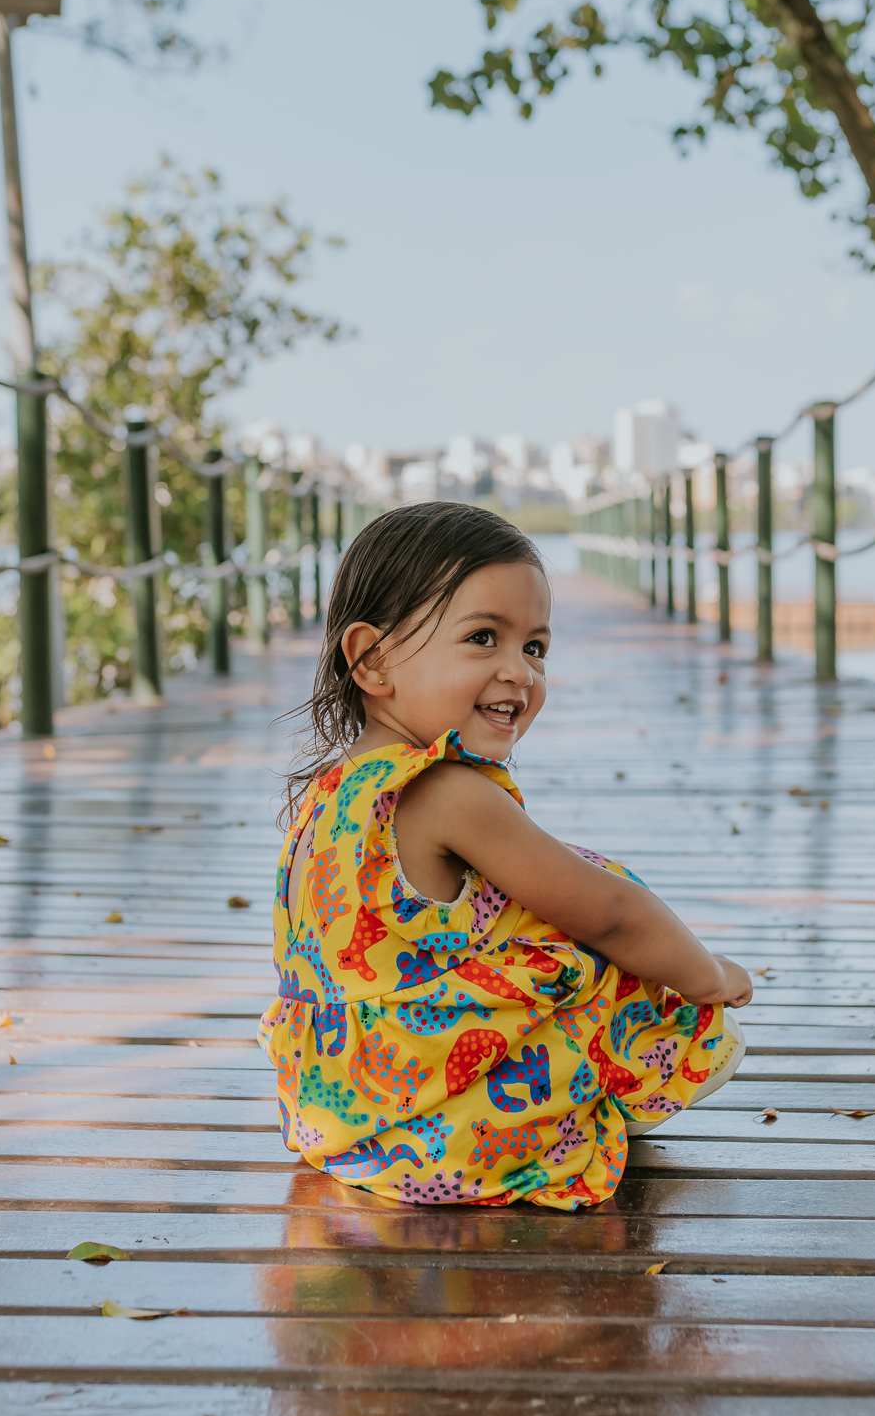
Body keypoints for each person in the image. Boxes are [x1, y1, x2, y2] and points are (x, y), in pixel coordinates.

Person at [259, 502, 752, 1209]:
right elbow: (612, 915)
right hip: (441, 1139)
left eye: (535, 648)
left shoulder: (333, 791)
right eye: (483, 637)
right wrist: (704, 975)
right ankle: (650, 1078)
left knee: (538, 901)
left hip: (339, 1117)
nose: (519, 671)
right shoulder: (445, 790)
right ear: (372, 660)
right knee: (586, 926)